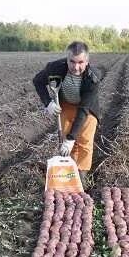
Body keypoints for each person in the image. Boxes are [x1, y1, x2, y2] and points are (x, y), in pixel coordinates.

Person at [33, 41, 104, 172]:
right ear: (67, 59)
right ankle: (69, 173)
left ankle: (81, 179)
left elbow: (83, 110)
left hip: (87, 108)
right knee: (66, 140)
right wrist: (48, 102)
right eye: (72, 62)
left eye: (80, 62)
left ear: (87, 61)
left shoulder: (93, 78)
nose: (76, 67)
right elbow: (37, 81)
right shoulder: (55, 68)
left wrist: (72, 139)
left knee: (84, 142)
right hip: (66, 104)